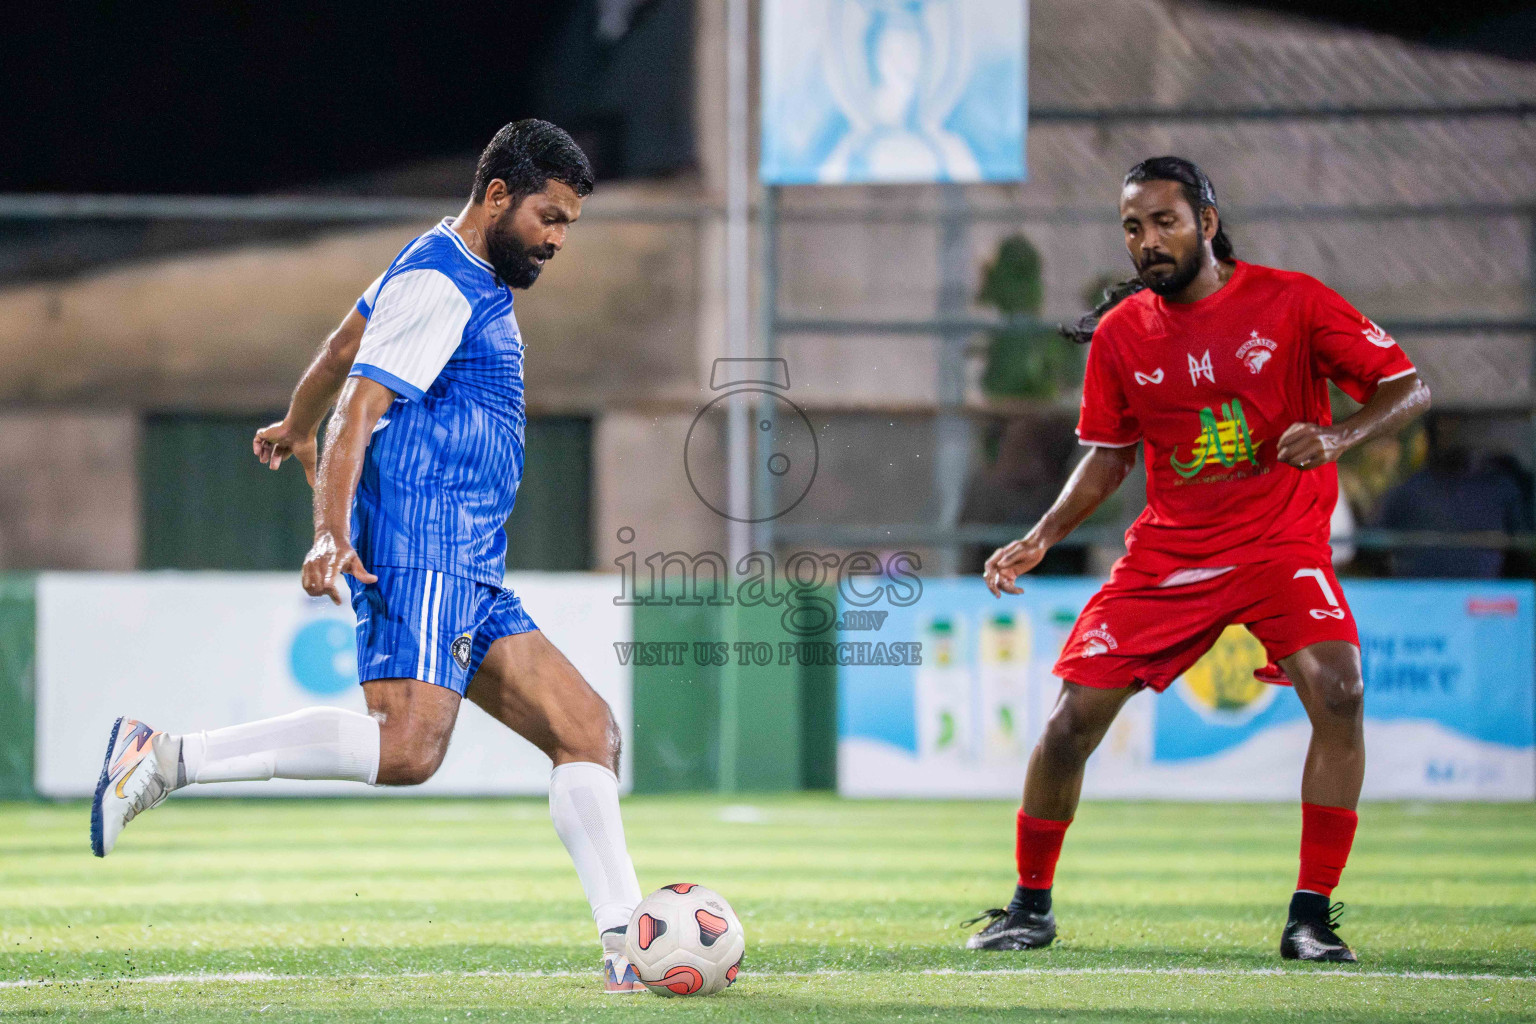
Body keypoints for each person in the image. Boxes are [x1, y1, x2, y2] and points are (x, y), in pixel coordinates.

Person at [91, 120, 649, 993]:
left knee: (588, 734)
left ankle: (629, 946)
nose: (557, 239)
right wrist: (330, 527)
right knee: (409, 749)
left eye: (569, 224)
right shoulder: (443, 282)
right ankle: (163, 758)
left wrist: (295, 420)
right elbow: (361, 399)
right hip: (422, 541)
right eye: (550, 216)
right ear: (497, 196)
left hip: (469, 556)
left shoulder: (437, 262)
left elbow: (337, 353)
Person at [966, 157, 1430, 963]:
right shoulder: (1119, 335)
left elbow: (1407, 386)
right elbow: (1109, 457)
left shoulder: (1293, 302)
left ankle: (1310, 918)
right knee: (1070, 725)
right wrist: (1042, 534)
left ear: (1206, 223)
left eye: (1164, 222)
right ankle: (1028, 907)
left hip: (1280, 546)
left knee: (1342, 691)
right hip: (1171, 555)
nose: (1148, 240)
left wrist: (1338, 436)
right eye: (1133, 228)